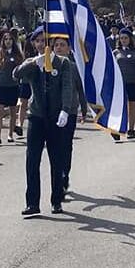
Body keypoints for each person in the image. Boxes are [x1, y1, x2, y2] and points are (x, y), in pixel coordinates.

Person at [13, 27, 73, 215]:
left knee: (56, 160)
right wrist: (32, 64)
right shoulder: (32, 63)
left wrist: (65, 110)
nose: (40, 44)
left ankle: (57, 200)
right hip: (37, 117)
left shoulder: (63, 63)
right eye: (37, 41)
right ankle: (32, 203)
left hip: (56, 118)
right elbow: (16, 74)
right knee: (32, 160)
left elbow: (67, 87)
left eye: (44, 41)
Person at [52, 36, 88, 195]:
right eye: (56, 45)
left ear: (68, 49)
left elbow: (81, 89)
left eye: (62, 45)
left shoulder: (74, 67)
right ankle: (57, 177)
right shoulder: (48, 66)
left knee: (66, 145)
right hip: (52, 112)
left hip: (70, 111)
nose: (59, 48)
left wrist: (84, 109)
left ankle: (64, 175)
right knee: (55, 147)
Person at [0, 30, 24, 144]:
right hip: (1, 85)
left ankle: (10, 134)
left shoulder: (17, 55)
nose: (8, 41)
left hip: (13, 86)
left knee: (12, 110)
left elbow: (21, 70)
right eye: (5, 39)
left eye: (10, 39)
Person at [113, 28, 135, 139]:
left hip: (133, 82)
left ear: (130, 39)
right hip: (119, 84)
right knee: (119, 108)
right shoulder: (116, 52)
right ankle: (117, 129)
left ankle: (131, 129)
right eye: (121, 38)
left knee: (132, 106)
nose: (123, 40)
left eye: (126, 38)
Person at [16, 38, 37, 137]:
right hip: (25, 82)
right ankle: (19, 124)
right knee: (23, 103)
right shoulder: (25, 55)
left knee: (29, 104)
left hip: (35, 83)